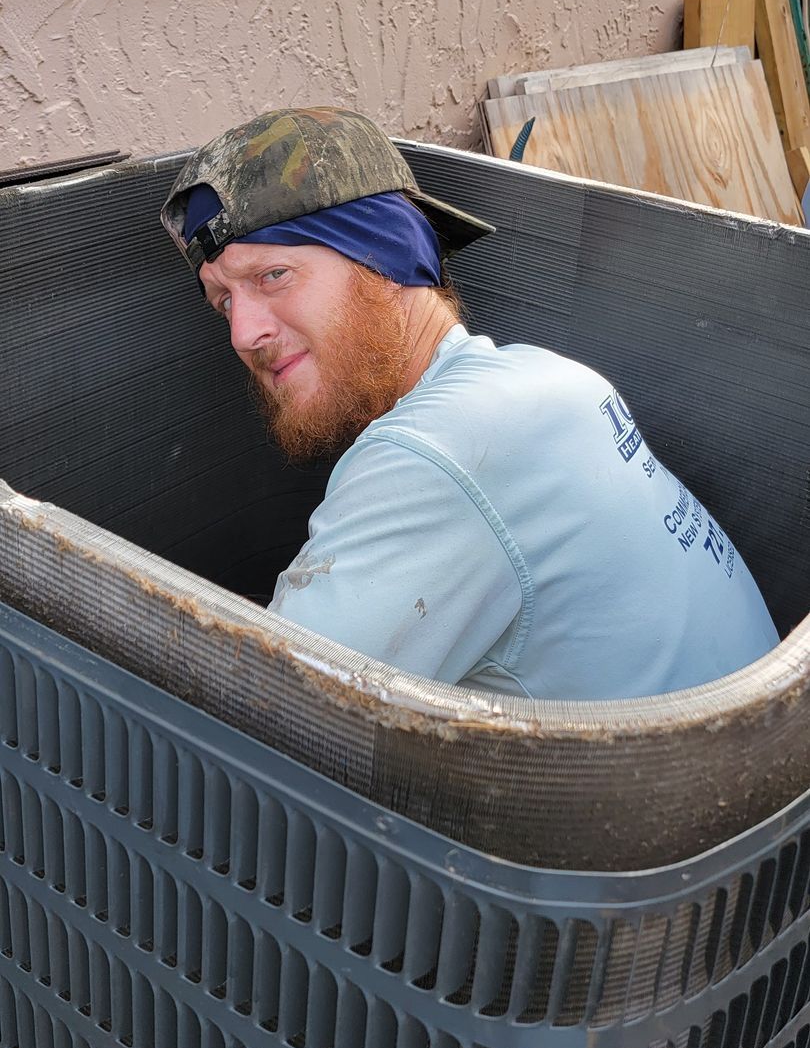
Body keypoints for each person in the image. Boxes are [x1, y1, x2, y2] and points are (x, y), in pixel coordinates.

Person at [161, 106, 778, 700]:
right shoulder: (550, 377)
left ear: (386, 256)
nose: (243, 334)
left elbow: (261, 719)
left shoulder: (433, 456)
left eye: (273, 276)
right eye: (223, 302)